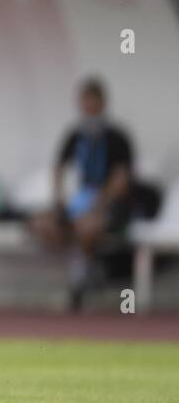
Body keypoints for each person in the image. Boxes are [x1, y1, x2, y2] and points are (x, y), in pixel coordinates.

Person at [30, 78, 134, 310]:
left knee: (88, 226)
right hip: (81, 200)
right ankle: (85, 268)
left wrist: (99, 202)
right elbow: (58, 168)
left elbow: (121, 180)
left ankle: (81, 281)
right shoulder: (76, 135)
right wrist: (60, 198)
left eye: (93, 102)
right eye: (84, 102)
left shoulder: (117, 137)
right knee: (42, 223)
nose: (88, 107)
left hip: (109, 204)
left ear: (103, 103)